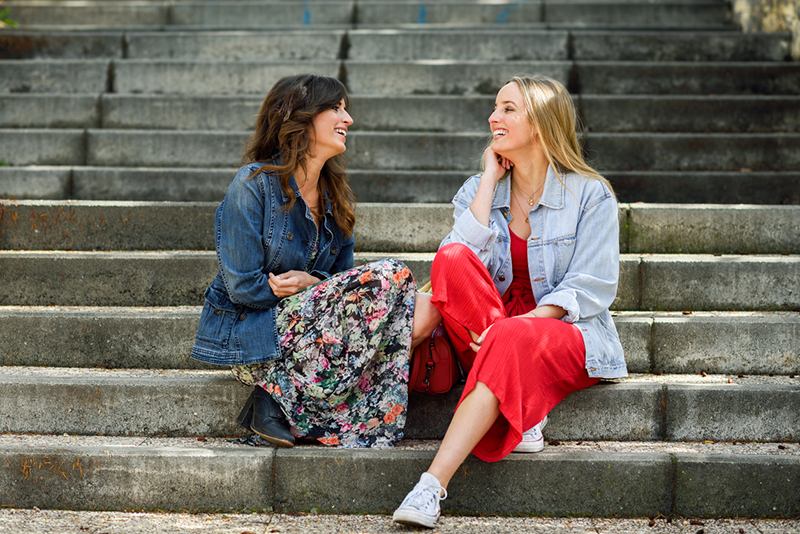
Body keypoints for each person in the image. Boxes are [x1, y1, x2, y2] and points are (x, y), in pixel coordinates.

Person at [392, 74, 627, 528]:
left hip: (561, 333)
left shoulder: (589, 194)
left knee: (515, 336)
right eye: (495, 108)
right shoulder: (479, 190)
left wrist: (527, 322)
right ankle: (524, 404)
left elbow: (592, 283)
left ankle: (431, 486)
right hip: (486, 331)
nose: (492, 117)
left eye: (507, 109)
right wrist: (488, 178)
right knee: (453, 256)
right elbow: (454, 267)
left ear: (540, 122)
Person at [190, 74, 441, 449]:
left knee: (418, 303)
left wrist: (312, 287)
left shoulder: (336, 200)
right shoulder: (252, 185)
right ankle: (278, 395)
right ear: (301, 117)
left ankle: (273, 400)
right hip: (254, 335)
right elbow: (242, 288)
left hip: (316, 338)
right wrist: (315, 296)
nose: (348, 119)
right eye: (336, 109)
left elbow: (348, 299)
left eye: (346, 110)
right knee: (393, 275)